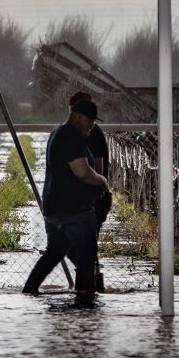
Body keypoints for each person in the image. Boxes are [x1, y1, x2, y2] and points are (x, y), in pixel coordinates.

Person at [22, 98, 110, 295]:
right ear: (77, 116)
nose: (92, 126)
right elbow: (82, 172)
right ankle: (84, 303)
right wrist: (102, 180)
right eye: (90, 121)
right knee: (86, 258)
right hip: (75, 210)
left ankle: (29, 291)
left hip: (55, 208)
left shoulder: (57, 132)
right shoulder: (71, 137)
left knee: (54, 252)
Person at [66, 91, 112, 290]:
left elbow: (98, 166)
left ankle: (91, 286)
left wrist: (94, 192)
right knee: (81, 247)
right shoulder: (80, 132)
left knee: (77, 246)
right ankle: (90, 286)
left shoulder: (92, 132)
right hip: (84, 199)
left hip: (93, 200)